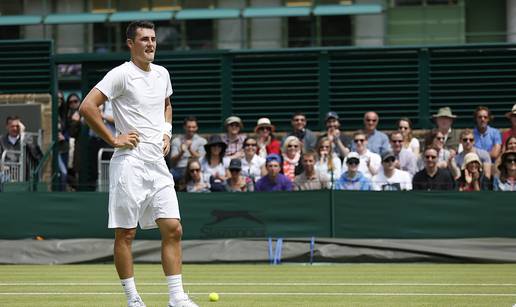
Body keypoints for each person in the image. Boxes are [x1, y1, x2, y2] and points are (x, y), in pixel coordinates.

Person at [79, 21, 198, 307]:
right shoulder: (120, 74)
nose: (151, 44)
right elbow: (87, 107)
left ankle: (177, 298)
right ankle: (133, 299)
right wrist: (113, 138)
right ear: (130, 43)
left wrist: (167, 132)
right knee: (127, 233)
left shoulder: (163, 74)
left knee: (173, 228)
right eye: (144, 39)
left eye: (154, 39)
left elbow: (166, 104)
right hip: (129, 164)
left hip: (157, 164)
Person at [168, 116, 206, 183]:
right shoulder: (176, 141)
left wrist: (190, 150)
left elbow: (203, 159)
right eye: (189, 127)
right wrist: (181, 152)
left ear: (197, 127)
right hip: (179, 169)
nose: (191, 129)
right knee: (168, 177)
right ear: (184, 127)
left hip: (196, 169)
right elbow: (172, 162)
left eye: (193, 127)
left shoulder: (202, 141)